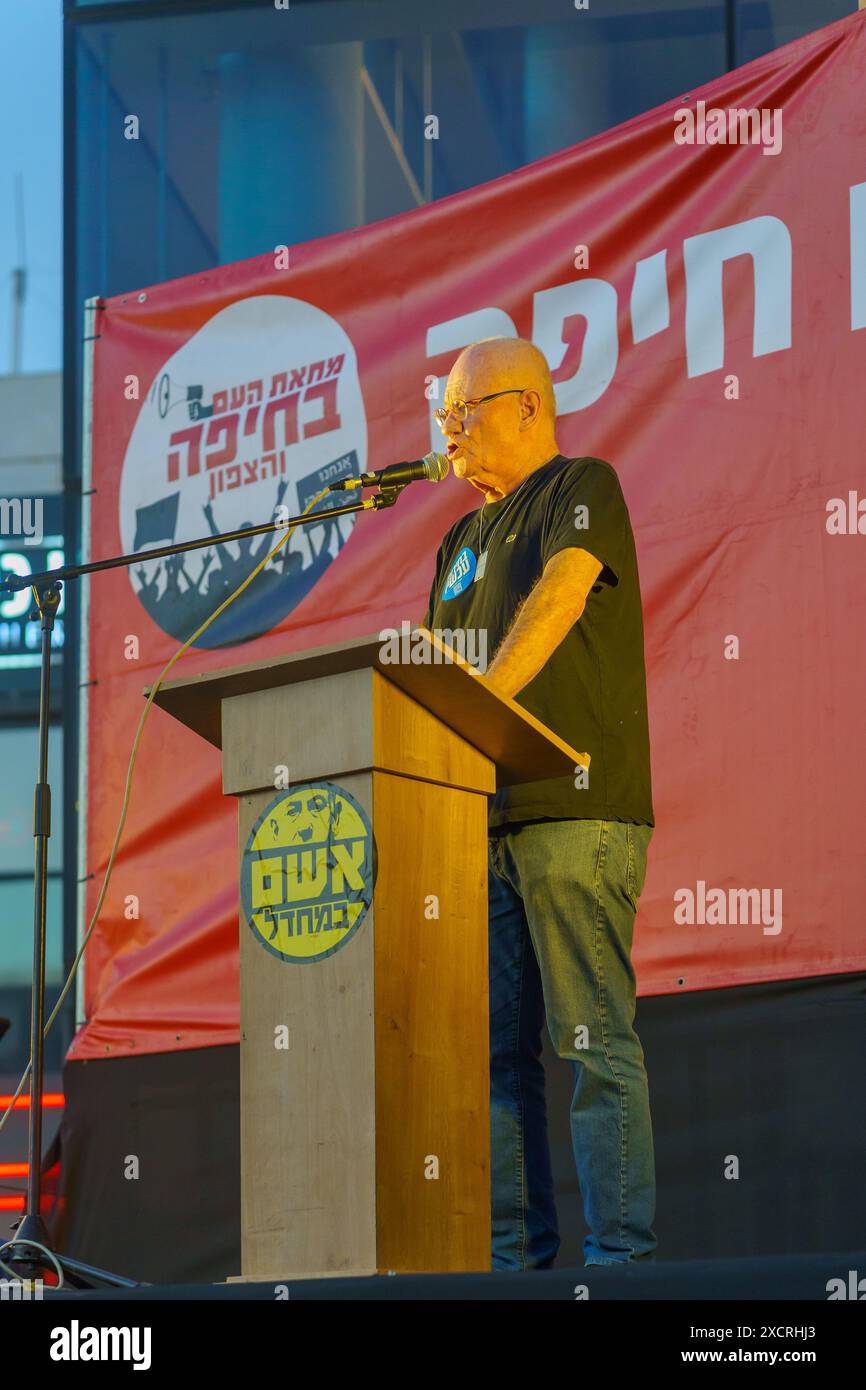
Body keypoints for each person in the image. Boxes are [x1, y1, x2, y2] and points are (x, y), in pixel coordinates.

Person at [421, 336, 656, 1269]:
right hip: (479, 825)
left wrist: (475, 712)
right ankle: (516, 1272)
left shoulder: (582, 484)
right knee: (495, 1065)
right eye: (443, 417)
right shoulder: (456, 539)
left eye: (463, 411)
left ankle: (622, 1267)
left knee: (591, 1045)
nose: (450, 431)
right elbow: (432, 672)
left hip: (575, 811)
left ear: (526, 406)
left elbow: (561, 597)